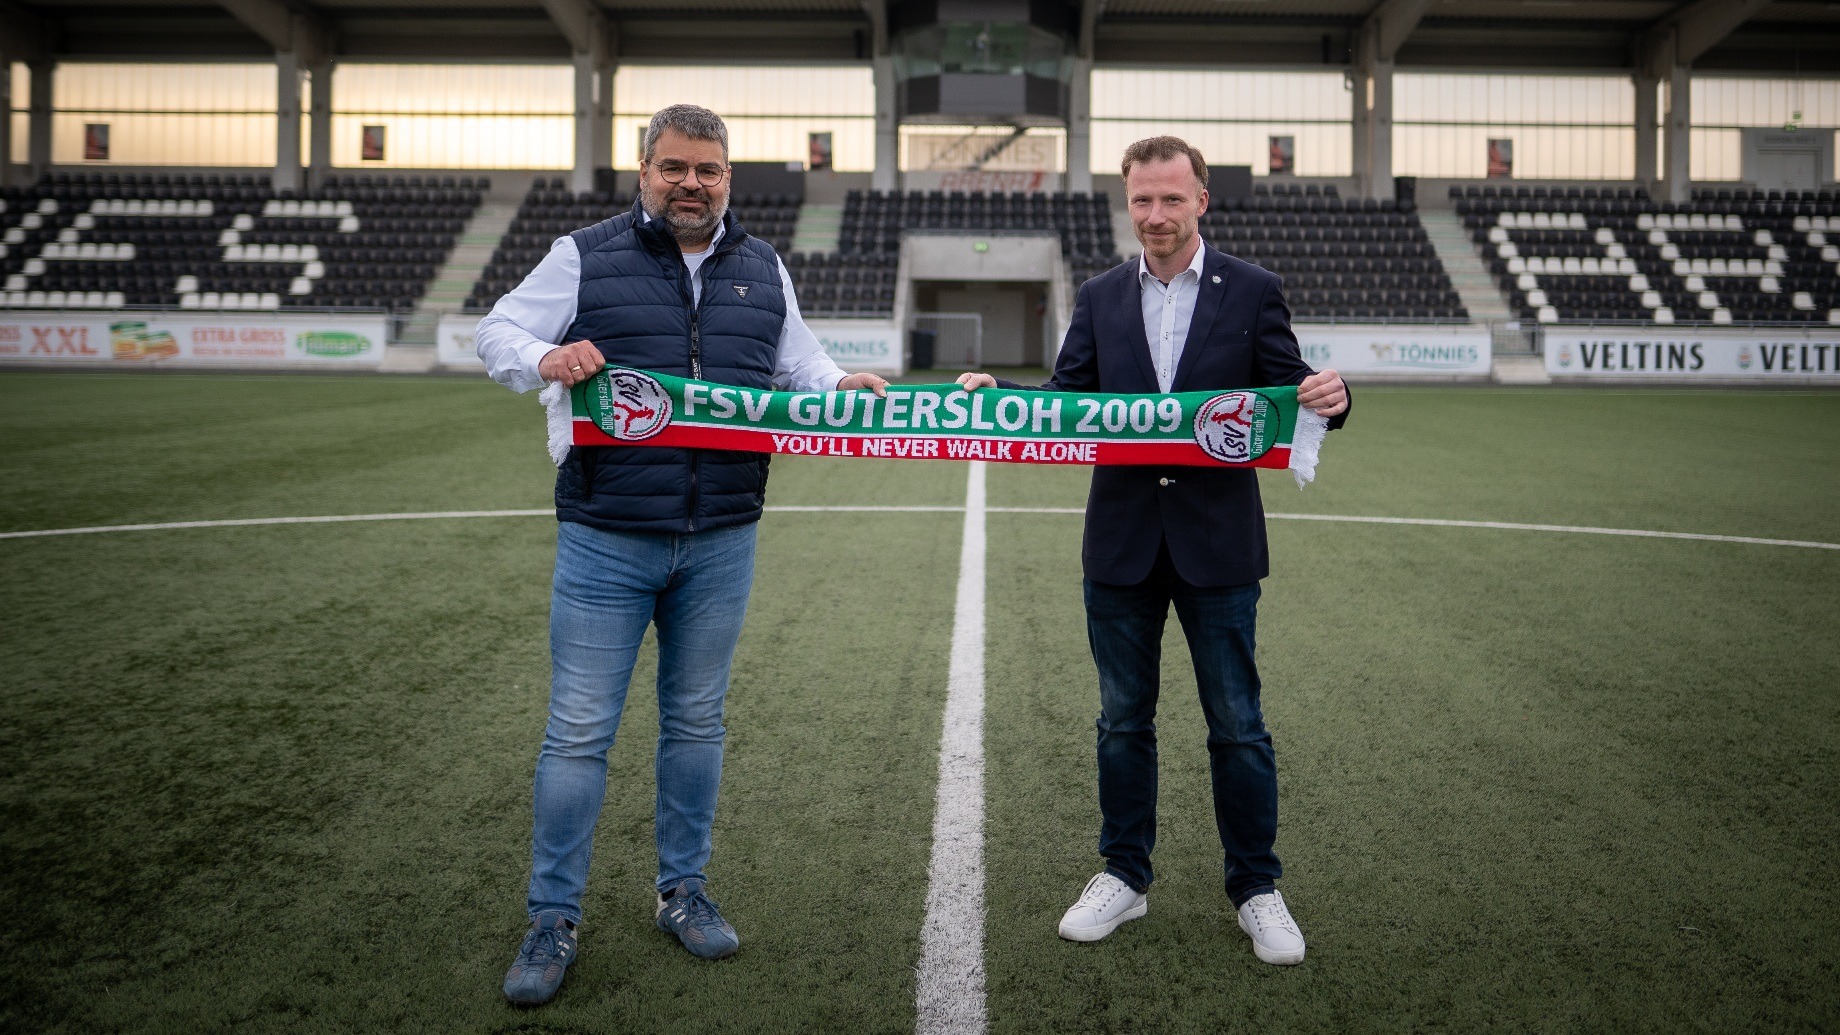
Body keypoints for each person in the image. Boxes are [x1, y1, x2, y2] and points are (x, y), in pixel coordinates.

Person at [474, 103, 889, 1006]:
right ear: (644, 171)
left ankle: (682, 890)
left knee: (697, 722)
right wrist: (547, 356)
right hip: (605, 536)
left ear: (728, 177)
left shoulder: (762, 265)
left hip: (723, 537)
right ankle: (552, 915)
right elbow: (495, 332)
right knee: (579, 731)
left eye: (707, 170)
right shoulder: (584, 254)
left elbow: (800, 367)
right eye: (674, 168)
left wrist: (840, 383)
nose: (691, 184)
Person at [959, 135, 1349, 966]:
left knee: (1238, 726)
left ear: (1202, 199)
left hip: (1220, 545)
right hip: (1123, 542)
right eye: (1143, 200)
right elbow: (1069, 401)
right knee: (1121, 722)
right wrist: (1007, 400)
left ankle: (1255, 886)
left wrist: (1333, 395)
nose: (1157, 215)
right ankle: (1125, 875)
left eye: (1172, 199)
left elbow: (1294, 383)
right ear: (1127, 201)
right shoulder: (1100, 295)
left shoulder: (1253, 289)